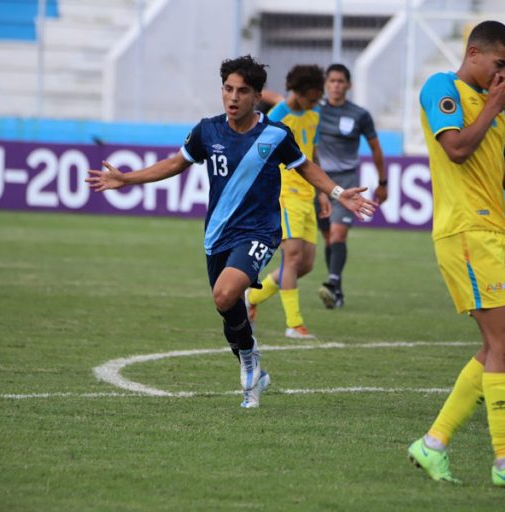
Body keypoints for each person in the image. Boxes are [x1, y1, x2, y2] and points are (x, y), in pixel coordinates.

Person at [85, 55, 376, 408]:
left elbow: (306, 166)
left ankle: (253, 358)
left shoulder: (275, 134)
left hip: (259, 231)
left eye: (242, 91)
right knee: (227, 307)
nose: (233, 97)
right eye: (227, 89)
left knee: (225, 294)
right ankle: (251, 360)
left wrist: (336, 192)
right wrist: (126, 178)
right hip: (217, 234)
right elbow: (175, 163)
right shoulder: (207, 131)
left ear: (257, 97)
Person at [407, 21, 505, 487]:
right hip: (467, 232)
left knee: (497, 346)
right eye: (500, 66)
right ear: (473, 53)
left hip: (493, 232)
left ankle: (432, 444)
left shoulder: (493, 109)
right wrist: (494, 104)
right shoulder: (442, 88)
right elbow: (455, 149)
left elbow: (489, 170)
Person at [246, 65, 327, 339]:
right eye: (313, 97)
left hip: (308, 195)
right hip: (283, 193)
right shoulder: (277, 116)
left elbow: (312, 153)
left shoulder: (314, 115)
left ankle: (252, 298)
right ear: (299, 92)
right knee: (291, 257)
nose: (316, 102)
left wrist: (324, 192)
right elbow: (259, 155)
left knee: (305, 265)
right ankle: (294, 324)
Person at [316, 63, 388, 309]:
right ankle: (337, 289)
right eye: (332, 81)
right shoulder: (315, 110)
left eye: (340, 81)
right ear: (325, 84)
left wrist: (383, 182)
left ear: (349, 85)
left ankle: (333, 283)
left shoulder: (359, 114)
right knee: (328, 238)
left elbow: (376, 148)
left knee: (338, 234)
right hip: (319, 182)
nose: (336, 85)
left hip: (347, 182)